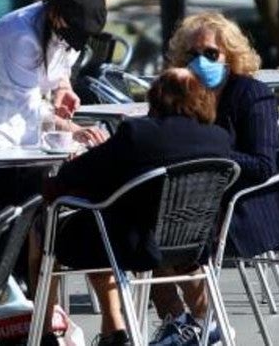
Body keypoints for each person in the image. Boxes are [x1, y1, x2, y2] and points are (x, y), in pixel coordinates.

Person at [38, 69, 233, 346]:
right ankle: (112, 332)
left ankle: (45, 333)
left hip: (132, 245)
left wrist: (70, 167)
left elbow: (63, 183)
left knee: (45, 228)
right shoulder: (219, 139)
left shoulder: (137, 133)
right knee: (102, 219)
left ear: (156, 97)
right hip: (191, 244)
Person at [155, 12, 279, 343]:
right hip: (194, 200)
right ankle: (180, 323)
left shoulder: (253, 94)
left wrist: (208, 156)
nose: (201, 61)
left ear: (230, 55)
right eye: (192, 54)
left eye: (210, 53)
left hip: (245, 205)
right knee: (140, 230)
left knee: (167, 233)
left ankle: (206, 322)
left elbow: (264, 165)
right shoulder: (184, 92)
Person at [0, 0, 110, 149]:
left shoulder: (67, 27)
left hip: (29, 128)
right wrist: (74, 130)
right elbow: (28, 104)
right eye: (73, 32)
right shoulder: (20, 34)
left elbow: (61, 62)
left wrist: (63, 88)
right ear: (55, 12)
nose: (74, 39)